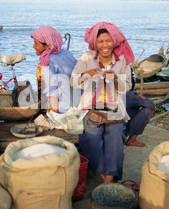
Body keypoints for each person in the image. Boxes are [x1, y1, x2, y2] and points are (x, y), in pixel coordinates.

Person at [71, 22, 133, 183]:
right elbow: (73, 81)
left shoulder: (122, 61)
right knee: (90, 137)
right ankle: (102, 174)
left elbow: (127, 86)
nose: (105, 45)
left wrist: (115, 79)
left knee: (116, 136)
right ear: (95, 44)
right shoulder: (87, 57)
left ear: (114, 42)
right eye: (101, 41)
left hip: (114, 111)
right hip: (90, 109)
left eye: (108, 41)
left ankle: (108, 179)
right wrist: (86, 73)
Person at [31, 26, 78, 114]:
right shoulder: (66, 53)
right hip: (78, 104)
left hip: (64, 109)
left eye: (36, 43)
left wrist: (53, 115)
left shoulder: (47, 60)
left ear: (47, 45)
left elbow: (51, 90)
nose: (33, 46)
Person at [124, 73, 156, 147]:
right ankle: (131, 140)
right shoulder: (130, 95)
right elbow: (152, 105)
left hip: (118, 126)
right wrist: (142, 98)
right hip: (124, 129)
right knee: (147, 111)